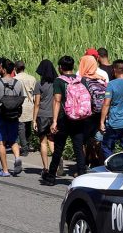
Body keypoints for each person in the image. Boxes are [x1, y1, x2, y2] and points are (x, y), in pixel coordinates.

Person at [45, 55, 89, 185]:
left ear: (60, 67)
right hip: (79, 118)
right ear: (72, 66)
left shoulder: (59, 81)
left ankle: (51, 176)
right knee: (78, 148)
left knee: (59, 148)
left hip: (64, 119)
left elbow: (57, 100)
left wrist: (54, 121)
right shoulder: (81, 80)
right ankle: (82, 176)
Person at [0, 58, 25, 177]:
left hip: (1, 115)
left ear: (3, 69)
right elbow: (21, 98)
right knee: (13, 140)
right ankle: (17, 158)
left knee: (1, 143)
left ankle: (5, 170)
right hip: (14, 115)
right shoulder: (18, 83)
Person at [78, 53, 108, 167]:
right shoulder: (101, 79)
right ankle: (100, 164)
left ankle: (83, 165)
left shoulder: (82, 80)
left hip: (87, 115)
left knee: (82, 141)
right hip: (100, 114)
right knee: (99, 140)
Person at [33, 59, 57, 177]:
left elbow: (37, 103)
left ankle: (46, 168)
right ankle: (57, 161)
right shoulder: (56, 83)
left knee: (43, 142)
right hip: (54, 115)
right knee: (51, 140)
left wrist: (34, 120)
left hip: (42, 115)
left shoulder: (39, 84)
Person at [13, 59, 38, 156]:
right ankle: (29, 143)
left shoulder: (15, 79)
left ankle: (24, 147)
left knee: (21, 126)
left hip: (20, 104)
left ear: (15, 68)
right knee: (28, 125)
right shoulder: (32, 78)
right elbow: (36, 94)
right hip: (30, 104)